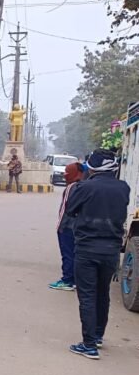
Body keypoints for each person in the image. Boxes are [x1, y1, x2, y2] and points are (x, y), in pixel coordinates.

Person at [64, 150, 129, 359]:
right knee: (103, 293)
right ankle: (98, 336)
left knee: (87, 296)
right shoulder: (123, 188)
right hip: (111, 249)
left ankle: (89, 344)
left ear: (93, 167)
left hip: (87, 247)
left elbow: (71, 209)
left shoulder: (85, 186)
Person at [49, 162, 84, 291]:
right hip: (80, 227)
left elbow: (64, 209)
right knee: (76, 253)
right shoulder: (85, 186)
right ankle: (75, 279)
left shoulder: (71, 187)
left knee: (67, 253)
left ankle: (67, 280)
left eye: (67, 172)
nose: (64, 175)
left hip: (68, 226)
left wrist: (59, 226)